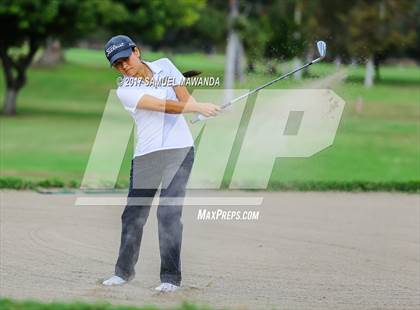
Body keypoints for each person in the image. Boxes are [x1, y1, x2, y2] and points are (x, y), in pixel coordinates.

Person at [102, 35, 220, 292]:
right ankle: (123, 273)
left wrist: (201, 109)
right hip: (147, 155)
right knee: (133, 215)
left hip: (179, 150)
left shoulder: (165, 66)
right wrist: (197, 107)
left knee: (168, 213)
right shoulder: (125, 90)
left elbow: (184, 99)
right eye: (117, 64)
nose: (124, 66)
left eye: (125, 59)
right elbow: (162, 106)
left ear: (137, 51)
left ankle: (170, 278)